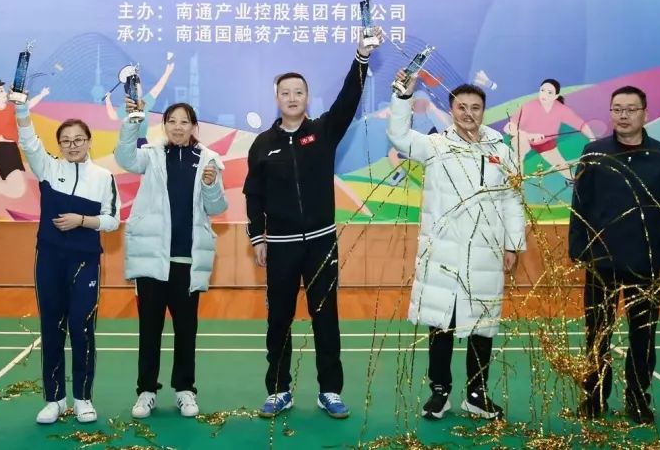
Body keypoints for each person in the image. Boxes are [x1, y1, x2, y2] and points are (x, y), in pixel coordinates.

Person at [244, 29, 383, 419]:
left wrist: (361, 57)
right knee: (279, 320)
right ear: (277, 98)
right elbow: (253, 195)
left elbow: (348, 99)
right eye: (286, 92)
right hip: (281, 246)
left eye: (299, 92)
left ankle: (330, 390)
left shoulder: (323, 132)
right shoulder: (262, 144)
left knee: (326, 318)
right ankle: (279, 390)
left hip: (322, 242)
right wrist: (257, 237)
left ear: (307, 98)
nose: (292, 97)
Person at [387, 70, 526, 420]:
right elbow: (399, 135)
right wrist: (403, 97)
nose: (468, 113)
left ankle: (477, 395)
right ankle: (440, 392)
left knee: (482, 325)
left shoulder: (501, 151)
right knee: (441, 324)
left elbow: (512, 200)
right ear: (451, 110)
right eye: (461, 107)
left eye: (475, 107)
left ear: (484, 111)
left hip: (486, 255)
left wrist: (512, 245)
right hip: (443, 254)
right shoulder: (435, 146)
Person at [569, 85, 660, 425]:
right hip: (601, 261)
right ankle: (594, 397)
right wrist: (578, 249)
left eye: (631, 109)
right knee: (597, 332)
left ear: (645, 113)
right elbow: (580, 204)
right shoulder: (594, 152)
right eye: (617, 109)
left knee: (643, 334)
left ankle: (637, 398)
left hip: (646, 263)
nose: (623, 115)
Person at [114, 99, 227, 419]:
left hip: (187, 261)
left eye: (184, 121)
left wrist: (210, 185)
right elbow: (124, 158)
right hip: (152, 259)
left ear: (194, 127)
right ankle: (146, 391)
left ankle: (185, 390)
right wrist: (133, 120)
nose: (178, 127)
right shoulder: (150, 155)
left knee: (186, 331)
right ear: (164, 125)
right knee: (149, 329)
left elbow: (217, 207)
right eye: (172, 121)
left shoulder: (208, 159)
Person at [15, 102, 120, 424]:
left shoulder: (103, 177)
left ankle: (83, 399)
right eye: (66, 141)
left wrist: (82, 220)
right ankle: (55, 400)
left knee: (82, 328)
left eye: (78, 140)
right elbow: (29, 142)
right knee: (52, 328)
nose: (72, 146)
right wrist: (21, 110)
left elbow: (112, 220)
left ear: (89, 141)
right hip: (49, 259)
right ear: (59, 145)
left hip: (85, 262)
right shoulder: (48, 169)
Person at [505, 79, 595, 181]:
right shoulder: (528, 106)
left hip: (545, 142)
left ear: (556, 96)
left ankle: (575, 181)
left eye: (549, 92)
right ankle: (517, 183)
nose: (544, 94)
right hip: (523, 139)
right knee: (517, 156)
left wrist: (593, 139)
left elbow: (581, 124)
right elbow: (509, 127)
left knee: (562, 166)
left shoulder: (561, 109)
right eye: (542, 90)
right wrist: (528, 135)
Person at [105, 53, 176, 147]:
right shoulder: (140, 103)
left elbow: (113, 116)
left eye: (139, 86)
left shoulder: (136, 104)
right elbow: (157, 88)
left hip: (135, 142)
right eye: (137, 86)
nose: (140, 88)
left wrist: (108, 100)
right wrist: (167, 73)